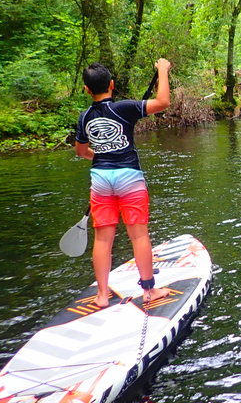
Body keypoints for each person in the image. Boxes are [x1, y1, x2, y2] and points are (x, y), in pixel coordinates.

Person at [75, 59, 172, 308]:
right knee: (138, 235)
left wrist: (100, 155)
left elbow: (81, 151)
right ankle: (149, 290)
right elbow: (162, 103)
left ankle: (101, 295)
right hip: (129, 176)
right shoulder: (125, 108)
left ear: (87, 89)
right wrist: (162, 70)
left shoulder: (84, 117)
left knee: (103, 239)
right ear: (112, 85)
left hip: (101, 179)